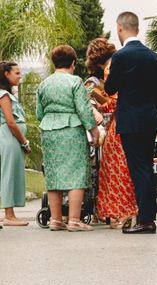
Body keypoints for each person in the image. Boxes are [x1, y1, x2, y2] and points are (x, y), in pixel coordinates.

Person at [105, 11, 157, 234]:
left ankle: (146, 220)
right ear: (137, 29)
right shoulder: (152, 56)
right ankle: (147, 216)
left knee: (138, 170)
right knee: (147, 167)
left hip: (130, 120)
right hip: (149, 119)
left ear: (120, 28)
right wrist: (152, 113)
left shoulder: (120, 57)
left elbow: (110, 88)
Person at [36, 46, 99, 232]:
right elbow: (83, 109)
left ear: (54, 63)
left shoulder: (44, 84)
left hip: (49, 130)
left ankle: (55, 219)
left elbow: (39, 112)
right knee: (76, 173)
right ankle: (74, 219)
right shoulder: (75, 81)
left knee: (54, 173)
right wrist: (93, 131)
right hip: (71, 129)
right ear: (73, 63)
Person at [86, 37, 138, 229]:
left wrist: (98, 101)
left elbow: (114, 101)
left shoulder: (110, 69)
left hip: (117, 124)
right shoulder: (124, 66)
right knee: (125, 169)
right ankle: (130, 211)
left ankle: (119, 213)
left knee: (115, 170)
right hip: (130, 121)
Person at [0, 62, 30, 227]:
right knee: (9, 174)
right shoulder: (3, 95)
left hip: (7, 137)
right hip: (10, 138)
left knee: (6, 172)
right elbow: (11, 122)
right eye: (17, 73)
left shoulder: (5, 94)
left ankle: (8, 213)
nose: (20, 76)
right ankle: (9, 215)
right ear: (6, 74)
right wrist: (24, 142)